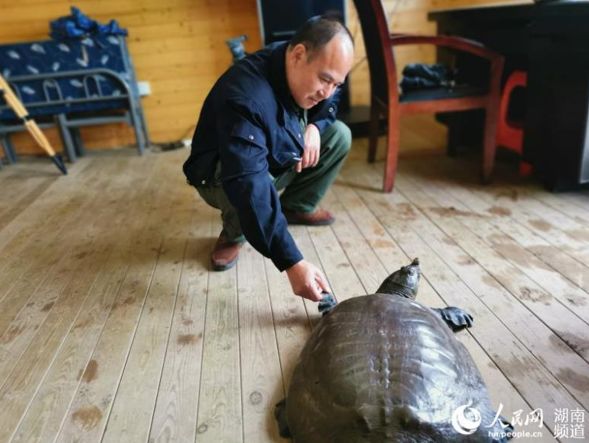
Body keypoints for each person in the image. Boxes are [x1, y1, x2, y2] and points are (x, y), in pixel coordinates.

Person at [183, 15, 354, 302]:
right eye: (325, 79)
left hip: (276, 149)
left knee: (338, 135)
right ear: (299, 54)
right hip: (219, 174)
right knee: (242, 180)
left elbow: (331, 100)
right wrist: (292, 262)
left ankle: (295, 206)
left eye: (336, 83)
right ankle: (233, 234)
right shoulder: (246, 98)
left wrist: (315, 126)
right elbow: (248, 182)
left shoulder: (294, 60)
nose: (328, 92)